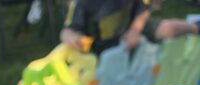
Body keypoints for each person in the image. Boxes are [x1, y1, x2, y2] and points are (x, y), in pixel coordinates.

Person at [60, 0, 200, 55]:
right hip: (99, 47)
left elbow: (144, 8)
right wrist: (72, 38)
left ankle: (195, 27)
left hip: (132, 27)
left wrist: (134, 30)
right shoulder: (81, 3)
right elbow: (67, 31)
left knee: (164, 28)